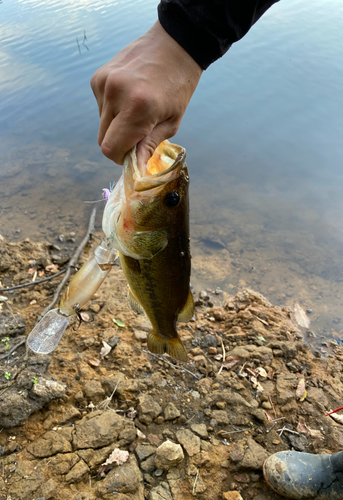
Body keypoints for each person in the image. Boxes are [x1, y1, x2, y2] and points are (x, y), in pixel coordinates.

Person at [91, 2, 343, 498]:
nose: (167, 189)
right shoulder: (140, 229)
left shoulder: (141, 229)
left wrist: (186, 33)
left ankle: (165, 332)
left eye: (171, 198)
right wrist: (186, 34)